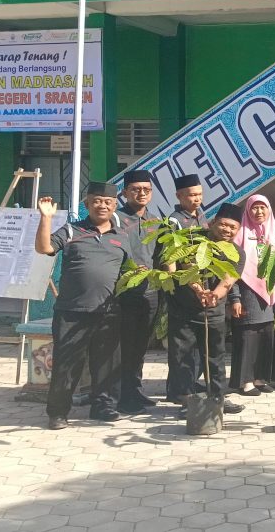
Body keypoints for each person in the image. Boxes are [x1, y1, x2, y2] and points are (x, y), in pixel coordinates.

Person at [34, 183, 130, 430]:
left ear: (114, 205)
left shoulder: (122, 236)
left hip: (108, 311)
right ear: (87, 204)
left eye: (108, 202)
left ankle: (104, 406)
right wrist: (45, 218)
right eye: (97, 201)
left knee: (107, 362)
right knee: (67, 364)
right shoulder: (71, 231)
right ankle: (58, 412)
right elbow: (44, 248)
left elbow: (130, 270)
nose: (102, 205)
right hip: (71, 312)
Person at [165, 203, 246, 418]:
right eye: (223, 225)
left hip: (214, 310)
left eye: (232, 227)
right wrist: (199, 290)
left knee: (215, 356)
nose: (227, 230)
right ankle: (186, 400)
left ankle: (218, 397)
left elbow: (229, 280)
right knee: (183, 356)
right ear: (212, 223)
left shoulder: (237, 252)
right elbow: (185, 266)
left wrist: (214, 296)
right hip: (184, 308)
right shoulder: (193, 240)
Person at [114, 170, 159, 414]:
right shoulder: (116, 219)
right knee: (125, 344)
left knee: (141, 344)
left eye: (146, 189)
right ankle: (122, 395)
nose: (141, 193)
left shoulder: (155, 220)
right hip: (125, 293)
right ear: (125, 193)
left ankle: (136, 390)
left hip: (151, 291)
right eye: (136, 189)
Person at [230, 194, 275, 396]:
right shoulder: (240, 234)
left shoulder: (273, 232)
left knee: (266, 334)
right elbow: (231, 269)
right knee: (247, 335)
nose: (259, 212)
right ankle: (245, 381)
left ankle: (260, 378)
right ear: (248, 211)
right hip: (246, 290)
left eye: (263, 208)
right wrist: (235, 297)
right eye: (254, 208)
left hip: (268, 291)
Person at [163, 173, 206, 404]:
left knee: (197, 343)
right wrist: (174, 282)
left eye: (199, 194)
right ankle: (180, 391)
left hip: (200, 286)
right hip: (182, 287)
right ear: (179, 196)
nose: (196, 199)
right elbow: (170, 255)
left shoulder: (201, 217)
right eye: (191, 195)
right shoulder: (174, 221)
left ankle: (188, 382)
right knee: (182, 342)